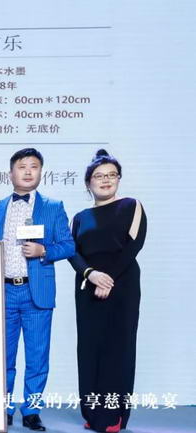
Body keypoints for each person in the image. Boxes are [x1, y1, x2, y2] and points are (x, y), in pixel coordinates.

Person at [0, 148, 75, 431]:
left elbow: (68, 245)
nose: (28, 171)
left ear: (41, 172)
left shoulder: (53, 207)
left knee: (37, 357)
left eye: (34, 166)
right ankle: (5, 408)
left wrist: (43, 251)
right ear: (10, 173)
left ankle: (32, 410)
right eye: (22, 166)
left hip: (37, 293)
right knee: (4, 357)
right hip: (4, 292)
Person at [69, 150, 147, 433]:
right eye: (99, 176)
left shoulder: (131, 206)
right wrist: (91, 275)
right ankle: (92, 412)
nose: (105, 180)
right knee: (90, 349)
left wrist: (108, 279)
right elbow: (72, 252)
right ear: (88, 183)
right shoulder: (80, 217)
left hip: (122, 284)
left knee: (118, 348)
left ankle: (114, 415)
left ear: (119, 179)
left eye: (112, 175)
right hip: (87, 285)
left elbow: (134, 244)